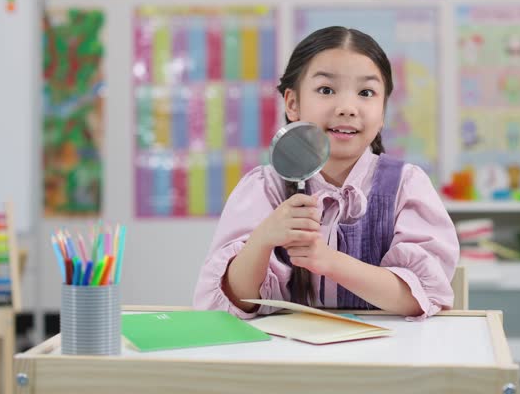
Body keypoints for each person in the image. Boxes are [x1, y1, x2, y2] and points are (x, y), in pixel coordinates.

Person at [193, 26, 458, 320]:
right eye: (326, 90)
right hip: (286, 358)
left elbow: (420, 297)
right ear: (293, 104)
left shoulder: (407, 185)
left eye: (366, 92)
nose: (347, 108)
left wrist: (329, 262)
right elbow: (233, 300)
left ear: (382, 112)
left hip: (385, 359)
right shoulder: (264, 187)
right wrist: (262, 240)